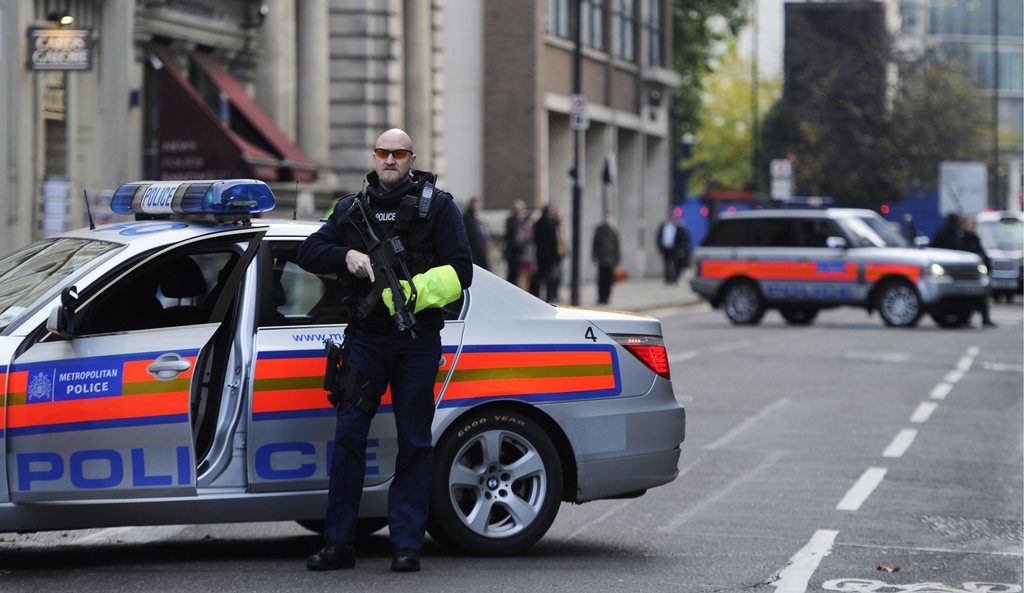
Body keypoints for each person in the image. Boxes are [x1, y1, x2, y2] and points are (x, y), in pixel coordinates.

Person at [297, 128, 473, 573]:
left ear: (411, 159)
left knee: (415, 442)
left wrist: (409, 293)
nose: (389, 159)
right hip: (367, 341)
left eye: (398, 153)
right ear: (374, 159)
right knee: (349, 435)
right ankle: (339, 544)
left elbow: (462, 271)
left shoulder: (440, 207)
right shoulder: (349, 209)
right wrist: (346, 258)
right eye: (382, 152)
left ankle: (407, 545)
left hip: (416, 341)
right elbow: (309, 251)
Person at [961, 217, 997, 328]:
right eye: (970, 224)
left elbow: (982, 253)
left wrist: (988, 267)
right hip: (964, 273)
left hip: (976, 273)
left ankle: (985, 319)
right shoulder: (962, 238)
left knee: (982, 295)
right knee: (966, 297)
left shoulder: (975, 238)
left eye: (973, 224)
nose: (972, 226)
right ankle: (964, 319)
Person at [531, 204, 565, 302]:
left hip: (539, 254)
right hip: (550, 255)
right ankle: (549, 297)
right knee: (550, 278)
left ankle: (536, 296)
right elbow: (554, 241)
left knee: (539, 277)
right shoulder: (552, 223)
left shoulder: (538, 223)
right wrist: (556, 255)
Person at [592, 212, 621, 305]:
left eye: (608, 217)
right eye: (605, 217)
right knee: (601, 280)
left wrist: (617, 260)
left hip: (611, 260)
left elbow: (617, 246)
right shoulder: (599, 230)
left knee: (609, 280)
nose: (607, 219)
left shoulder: (613, 231)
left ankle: (607, 297)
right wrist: (594, 255)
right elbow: (595, 244)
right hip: (601, 259)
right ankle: (601, 297)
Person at [656, 210, 691, 285]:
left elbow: (684, 237)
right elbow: (659, 237)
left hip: (675, 248)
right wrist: (660, 247)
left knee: (676, 264)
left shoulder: (678, 226)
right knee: (666, 264)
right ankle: (668, 279)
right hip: (666, 248)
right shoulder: (663, 226)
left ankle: (675, 278)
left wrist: (682, 247)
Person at [504, 200, 532, 290]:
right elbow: (512, 231)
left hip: (523, 253)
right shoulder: (510, 220)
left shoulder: (526, 221)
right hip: (512, 251)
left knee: (523, 274)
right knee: (512, 273)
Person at [462, 196, 491, 271]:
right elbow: (472, 233)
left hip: (477, 247)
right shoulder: (468, 217)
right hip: (474, 247)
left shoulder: (474, 215)